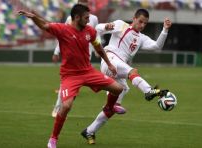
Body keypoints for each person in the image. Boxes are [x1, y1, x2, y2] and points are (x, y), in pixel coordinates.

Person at [18, 4, 124, 148]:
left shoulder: (90, 31)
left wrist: (108, 64)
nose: (89, 20)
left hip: (88, 71)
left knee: (118, 88)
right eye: (86, 18)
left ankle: (108, 108)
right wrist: (34, 18)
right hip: (70, 75)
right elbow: (45, 25)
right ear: (76, 17)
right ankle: (53, 139)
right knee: (66, 106)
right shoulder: (63, 29)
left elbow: (98, 47)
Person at [80, 8, 172, 144]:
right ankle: (148, 91)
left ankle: (89, 131)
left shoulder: (141, 38)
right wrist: (97, 46)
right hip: (110, 59)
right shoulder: (120, 25)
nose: (142, 25)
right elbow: (97, 28)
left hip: (119, 68)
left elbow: (157, 46)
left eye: (145, 23)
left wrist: (165, 30)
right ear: (134, 18)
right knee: (132, 72)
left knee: (111, 108)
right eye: (140, 21)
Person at [51, 0, 100, 117]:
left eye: (85, 3)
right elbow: (63, 36)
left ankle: (65, 106)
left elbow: (96, 34)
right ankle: (58, 107)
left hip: (86, 54)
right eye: (81, 3)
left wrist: (98, 48)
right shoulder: (71, 19)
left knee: (78, 83)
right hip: (72, 54)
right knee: (67, 82)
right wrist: (56, 51)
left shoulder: (93, 19)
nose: (84, 5)